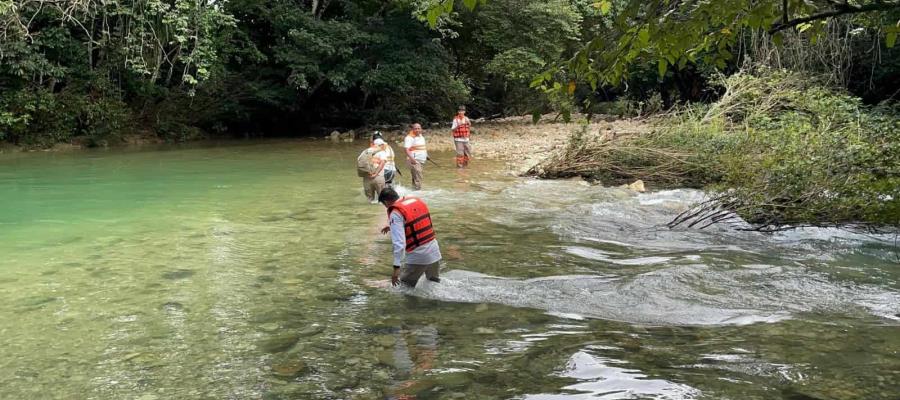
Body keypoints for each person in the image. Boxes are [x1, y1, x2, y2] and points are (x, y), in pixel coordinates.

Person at [378, 188, 441, 287]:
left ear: (386, 201)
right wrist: (392, 226)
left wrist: (396, 269)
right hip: (434, 252)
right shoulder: (415, 201)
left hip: (418, 256)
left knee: (404, 289)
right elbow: (417, 222)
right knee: (434, 284)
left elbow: (399, 244)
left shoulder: (395, 213)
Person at [359, 138, 385, 203]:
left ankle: (369, 211)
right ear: (380, 145)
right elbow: (382, 163)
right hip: (378, 176)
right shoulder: (382, 152)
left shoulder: (364, 152)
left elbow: (359, 162)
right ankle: (378, 212)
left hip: (367, 177)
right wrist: (375, 174)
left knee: (369, 200)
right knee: (382, 199)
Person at [403, 123, 427, 190]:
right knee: (418, 177)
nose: (417, 130)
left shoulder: (421, 136)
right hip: (414, 160)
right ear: (412, 129)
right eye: (415, 128)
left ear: (421, 129)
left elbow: (421, 147)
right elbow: (406, 150)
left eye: (419, 128)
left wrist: (426, 155)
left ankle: (414, 191)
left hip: (421, 160)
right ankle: (418, 192)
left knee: (415, 177)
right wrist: (412, 159)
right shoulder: (409, 138)